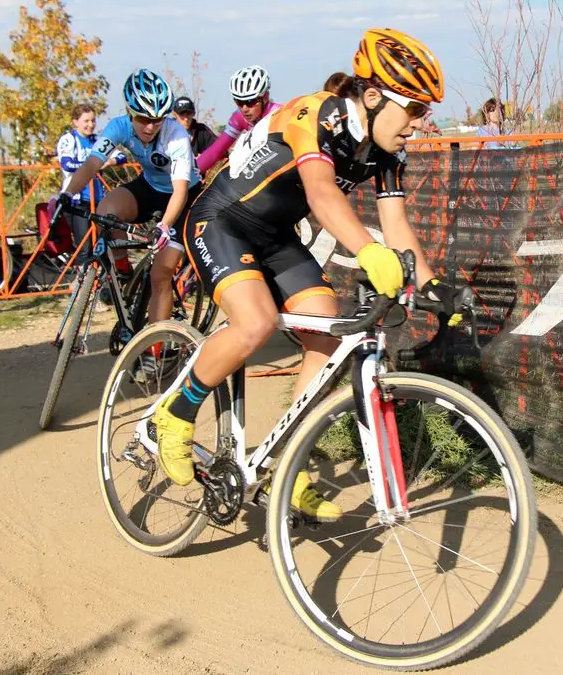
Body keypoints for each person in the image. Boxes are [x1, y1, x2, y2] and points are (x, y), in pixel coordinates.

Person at [153, 28, 462, 522]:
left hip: (275, 235)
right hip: (222, 220)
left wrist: (431, 284)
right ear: (376, 97)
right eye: (417, 109)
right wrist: (368, 253)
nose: (421, 123)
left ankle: (286, 463)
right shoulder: (315, 113)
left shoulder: (387, 153)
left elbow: (396, 223)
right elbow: (321, 194)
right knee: (254, 324)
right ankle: (176, 412)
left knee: (326, 329)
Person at [58, 69, 203, 329]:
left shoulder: (176, 135)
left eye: (157, 120)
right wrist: (66, 193)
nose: (150, 126)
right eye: (143, 118)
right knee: (107, 211)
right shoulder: (119, 126)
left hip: (184, 196)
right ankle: (124, 273)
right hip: (150, 187)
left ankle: (155, 353)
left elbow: (180, 190)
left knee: (161, 275)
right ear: (129, 111)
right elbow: (92, 164)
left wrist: (165, 225)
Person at [194, 65, 282, 175]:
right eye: (239, 102)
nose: (245, 109)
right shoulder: (239, 117)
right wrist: (189, 175)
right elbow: (217, 149)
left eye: (251, 102)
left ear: (265, 97)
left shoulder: (279, 114)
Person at [56, 103, 127, 209]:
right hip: (76, 199)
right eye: (86, 121)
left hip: (97, 198)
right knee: (82, 226)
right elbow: (67, 165)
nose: (91, 125)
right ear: (76, 122)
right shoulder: (68, 139)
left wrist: (109, 162)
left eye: (93, 121)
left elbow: (122, 156)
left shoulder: (98, 140)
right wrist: (93, 166)